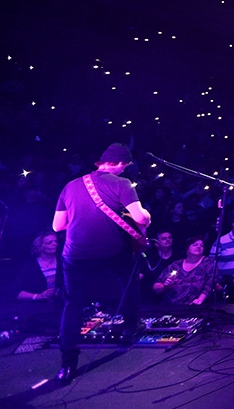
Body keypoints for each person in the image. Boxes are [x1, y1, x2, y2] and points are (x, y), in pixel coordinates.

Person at [52, 143, 151, 385]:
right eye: (125, 166)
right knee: (129, 281)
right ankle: (129, 329)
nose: (125, 170)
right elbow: (140, 219)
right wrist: (146, 215)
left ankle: (67, 363)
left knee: (72, 305)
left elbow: (57, 226)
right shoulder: (122, 184)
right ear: (119, 163)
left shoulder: (71, 185)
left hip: (75, 255)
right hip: (111, 252)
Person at [154, 236, 213, 305]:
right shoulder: (176, 264)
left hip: (193, 307)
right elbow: (156, 286)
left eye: (201, 245)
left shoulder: (208, 263)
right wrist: (164, 286)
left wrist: (200, 299)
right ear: (187, 248)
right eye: (195, 245)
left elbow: (211, 283)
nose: (199, 247)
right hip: (169, 306)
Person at [15, 230, 59, 302]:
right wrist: (38, 296)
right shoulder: (29, 266)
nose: (55, 244)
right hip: (36, 307)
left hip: (59, 304)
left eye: (56, 241)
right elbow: (15, 292)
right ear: (39, 246)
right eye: (49, 242)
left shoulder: (62, 261)